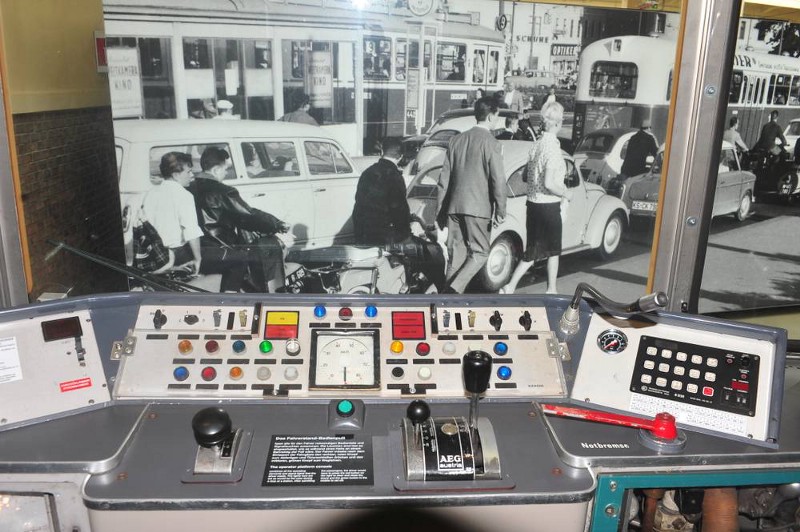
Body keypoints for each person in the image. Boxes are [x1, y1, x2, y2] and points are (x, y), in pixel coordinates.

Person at [188, 147, 290, 292]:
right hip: (221, 245)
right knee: (255, 258)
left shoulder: (189, 188)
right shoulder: (223, 191)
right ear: (216, 170)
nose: (226, 173)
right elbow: (248, 214)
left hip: (195, 248)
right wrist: (277, 224)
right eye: (225, 169)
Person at [436, 97, 507, 293]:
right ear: (491, 116)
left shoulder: (456, 141)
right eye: (497, 116)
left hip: (454, 208)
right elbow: (498, 180)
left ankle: (445, 301)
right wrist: (501, 209)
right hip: (478, 209)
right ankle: (453, 292)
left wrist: (440, 212)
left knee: (456, 258)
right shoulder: (492, 144)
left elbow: (444, 180)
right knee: (481, 253)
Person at [501, 101, 571, 295]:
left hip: (532, 205)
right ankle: (551, 289)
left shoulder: (536, 146)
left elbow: (525, 176)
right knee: (553, 251)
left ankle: (509, 287)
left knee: (532, 251)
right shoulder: (553, 149)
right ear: (558, 123)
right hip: (549, 206)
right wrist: (566, 192)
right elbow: (549, 183)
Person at [141, 152, 204, 274]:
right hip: (176, 253)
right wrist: (198, 259)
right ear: (175, 175)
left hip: (154, 252)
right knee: (234, 260)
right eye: (188, 172)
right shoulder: (184, 195)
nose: (192, 175)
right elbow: (191, 231)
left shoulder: (151, 193)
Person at [352, 139, 412, 246]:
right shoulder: (394, 176)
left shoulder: (367, 172)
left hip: (361, 229)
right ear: (400, 156)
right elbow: (398, 209)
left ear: (382, 152)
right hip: (382, 234)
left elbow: (359, 200)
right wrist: (405, 232)